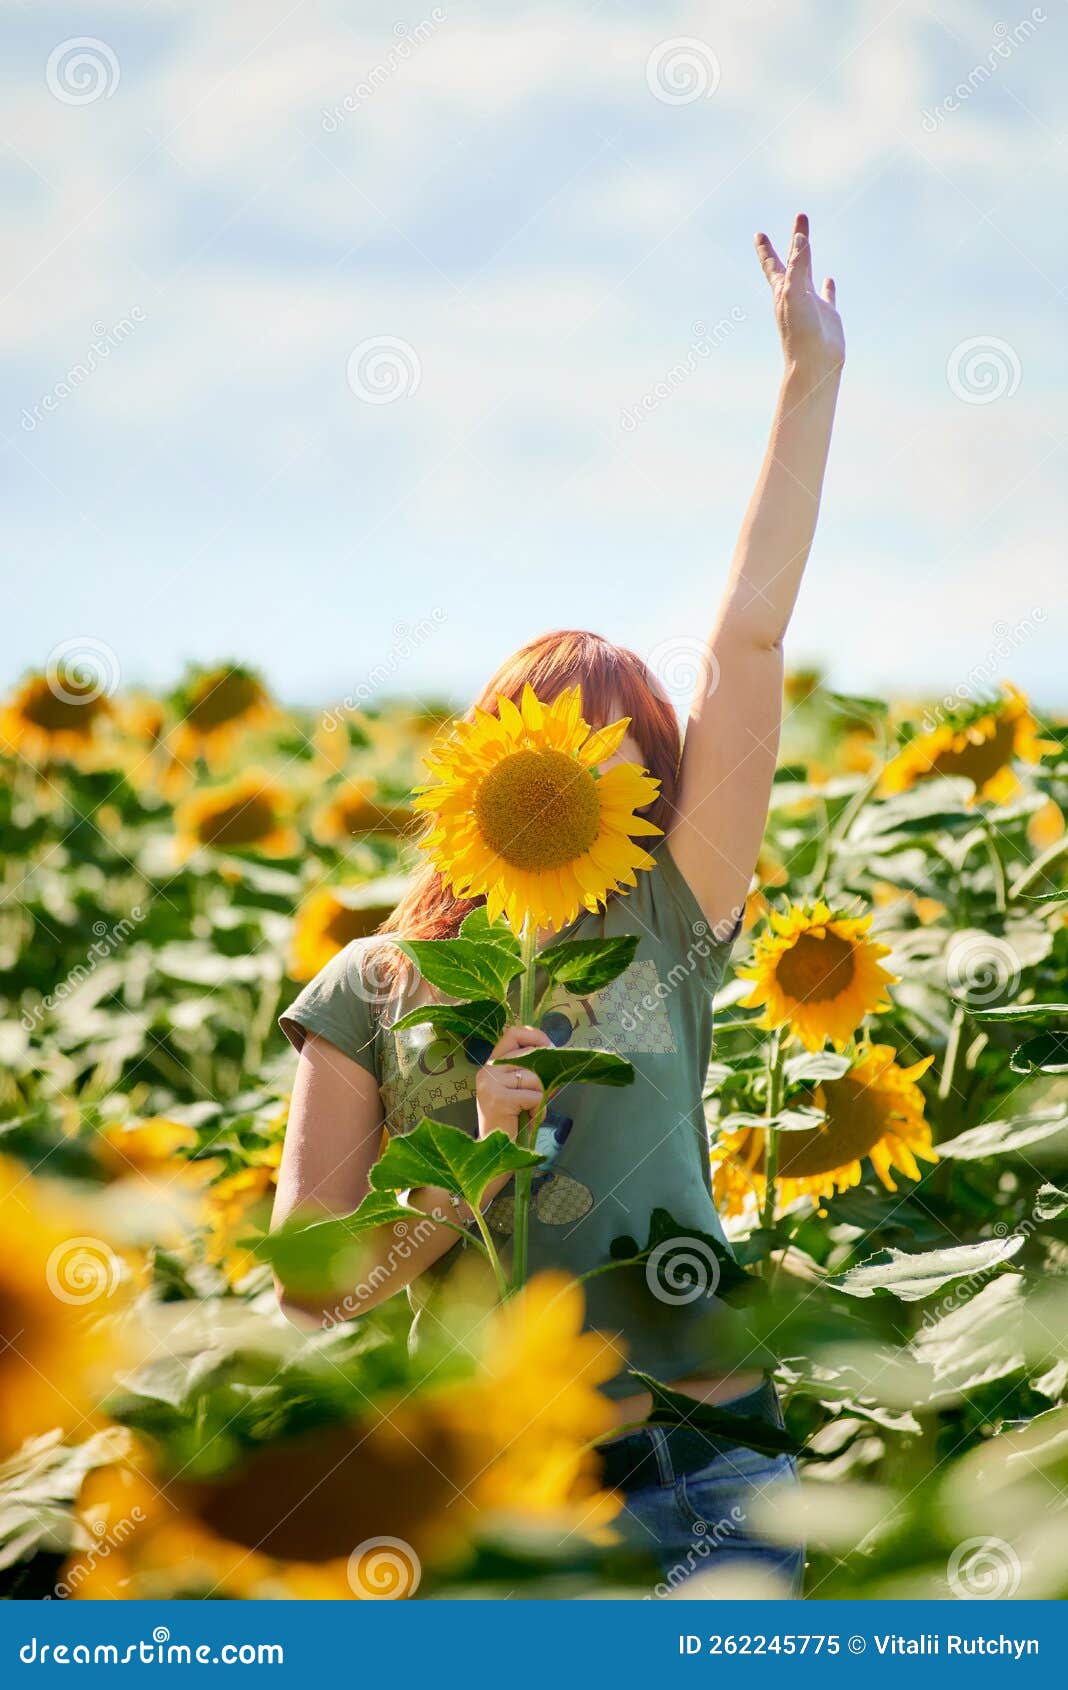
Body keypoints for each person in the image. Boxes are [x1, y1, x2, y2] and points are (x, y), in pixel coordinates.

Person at [273, 213, 844, 1591]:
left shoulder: (666, 916)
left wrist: (807, 380)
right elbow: (317, 1282)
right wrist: (467, 1165)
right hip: (488, 1479)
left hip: (704, 1459)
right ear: (485, 764)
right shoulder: (369, 988)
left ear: (652, 789)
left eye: (617, 761)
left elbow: (746, 641)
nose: (572, 787)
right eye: (543, 756)